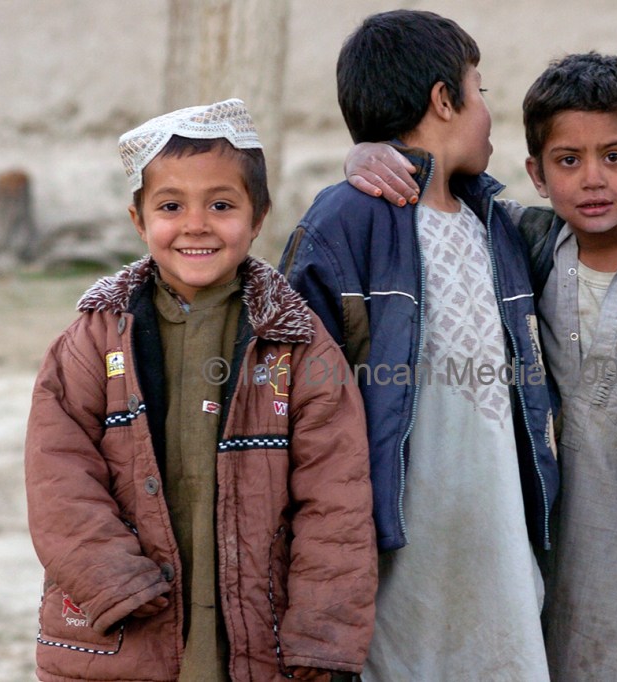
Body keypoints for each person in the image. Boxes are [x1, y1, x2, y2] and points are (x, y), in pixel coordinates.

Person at [346, 52, 617, 681]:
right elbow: (443, 191)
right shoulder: (521, 244)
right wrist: (366, 155)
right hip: (536, 539)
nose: (593, 179)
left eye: (614, 157)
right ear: (537, 174)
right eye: (568, 160)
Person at [24, 99, 377, 682]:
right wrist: (112, 581)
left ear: (258, 216)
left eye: (221, 204)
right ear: (138, 220)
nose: (195, 224)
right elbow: (57, 476)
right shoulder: (92, 342)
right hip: (128, 630)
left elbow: (335, 503)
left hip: (256, 640)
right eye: (171, 206)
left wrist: (322, 636)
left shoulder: (299, 346)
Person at [278, 10, 558, 681]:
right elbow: (293, 395)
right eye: (480, 90)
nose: (488, 110)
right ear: (443, 100)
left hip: (497, 546)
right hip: (398, 561)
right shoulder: (345, 221)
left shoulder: (497, 225)